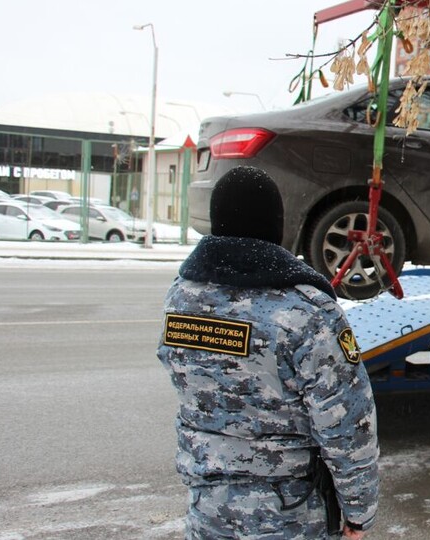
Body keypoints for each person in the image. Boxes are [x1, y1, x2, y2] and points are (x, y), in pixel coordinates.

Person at [156, 166, 379, 538]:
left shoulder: (180, 299)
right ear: (276, 226)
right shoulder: (308, 312)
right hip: (290, 517)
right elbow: (348, 426)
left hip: (208, 511)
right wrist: (359, 514)